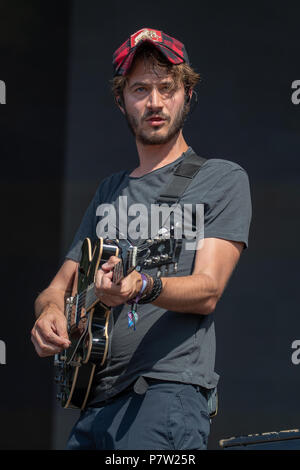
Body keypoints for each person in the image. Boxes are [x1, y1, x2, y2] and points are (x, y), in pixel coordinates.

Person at [31, 28, 252, 450]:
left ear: (187, 94)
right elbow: (57, 288)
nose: (154, 102)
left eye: (167, 88)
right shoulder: (109, 190)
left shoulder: (220, 178)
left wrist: (144, 285)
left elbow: (208, 290)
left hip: (162, 396)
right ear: (121, 101)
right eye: (140, 89)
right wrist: (48, 316)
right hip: (92, 403)